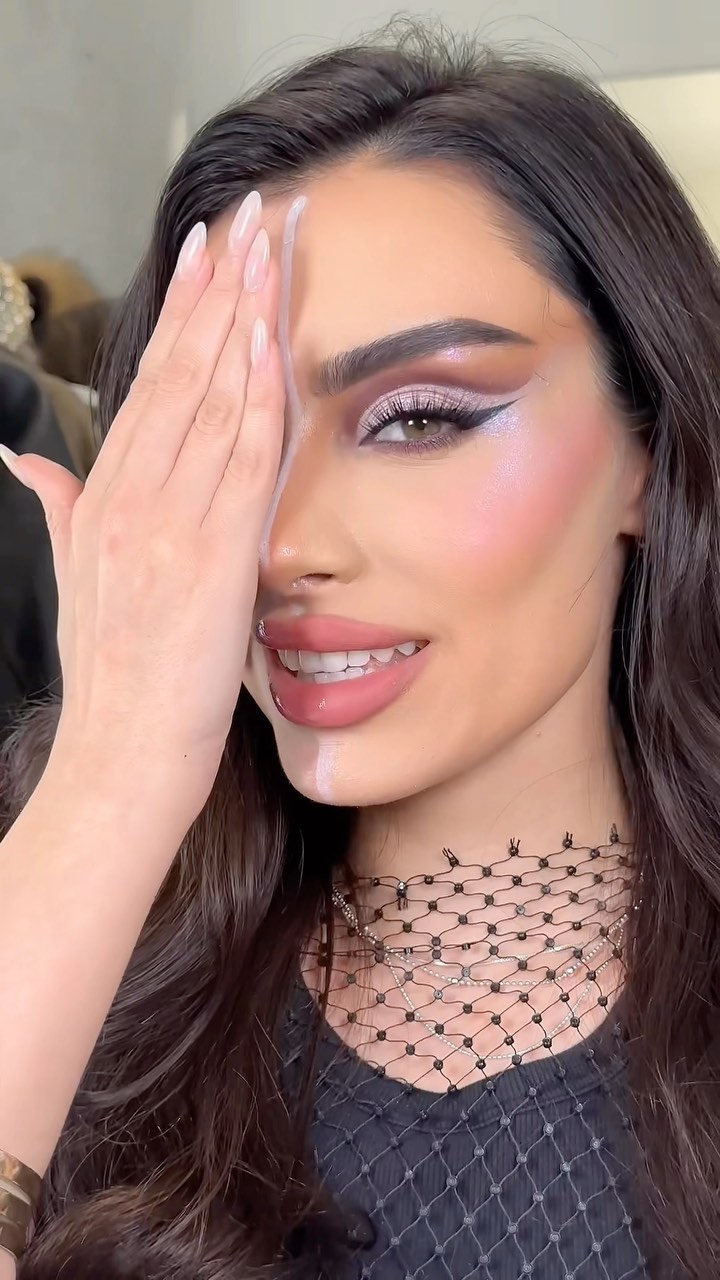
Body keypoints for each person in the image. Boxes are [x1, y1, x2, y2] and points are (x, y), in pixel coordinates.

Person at [0, 26, 718, 1280]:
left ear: (647, 450)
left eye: (419, 417)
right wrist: (111, 777)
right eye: (231, 439)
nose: (283, 545)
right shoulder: (68, 912)